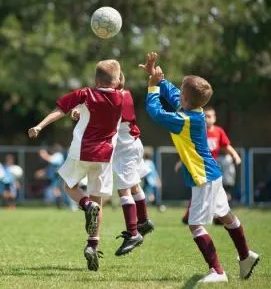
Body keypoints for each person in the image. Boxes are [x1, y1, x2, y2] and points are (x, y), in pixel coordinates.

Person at [139, 52, 259, 283]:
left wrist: (153, 88)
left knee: (195, 225)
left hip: (203, 178)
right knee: (225, 215)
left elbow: (155, 113)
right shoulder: (193, 111)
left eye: (181, 89)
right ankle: (246, 256)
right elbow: (175, 95)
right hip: (212, 175)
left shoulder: (184, 120)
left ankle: (218, 272)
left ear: (186, 97)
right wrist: (159, 79)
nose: (178, 92)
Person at [28, 59, 123, 272]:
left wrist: (39, 125)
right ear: (117, 81)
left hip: (81, 151)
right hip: (105, 155)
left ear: (95, 79)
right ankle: (92, 244)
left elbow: (60, 109)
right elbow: (112, 91)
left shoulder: (85, 94)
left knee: (69, 187)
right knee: (99, 199)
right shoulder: (121, 97)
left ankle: (85, 204)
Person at [71, 71, 154, 256]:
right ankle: (144, 221)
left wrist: (82, 111)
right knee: (134, 186)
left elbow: (99, 113)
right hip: (133, 144)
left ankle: (133, 233)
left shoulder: (115, 98)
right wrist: (81, 110)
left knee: (123, 190)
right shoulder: (126, 94)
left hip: (125, 149)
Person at [180, 106, 241, 224]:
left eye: (209, 116)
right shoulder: (198, 130)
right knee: (198, 191)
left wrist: (235, 155)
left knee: (218, 192)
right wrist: (181, 161)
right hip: (199, 167)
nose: (206, 119)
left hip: (213, 167)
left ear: (214, 118)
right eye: (204, 116)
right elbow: (190, 149)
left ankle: (219, 216)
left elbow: (226, 146)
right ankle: (190, 215)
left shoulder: (219, 131)